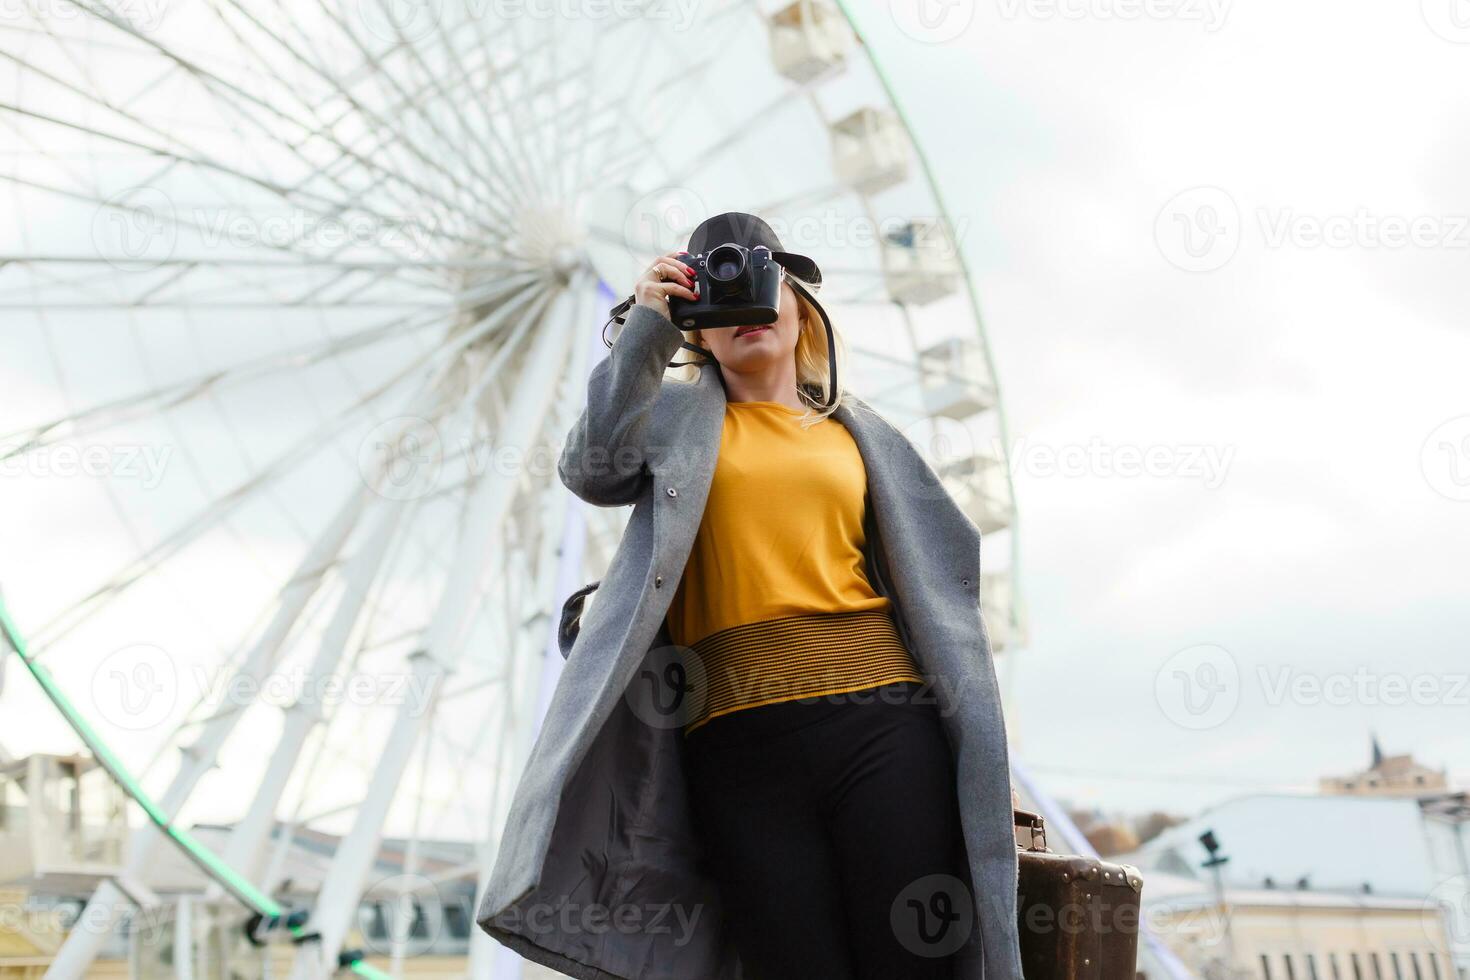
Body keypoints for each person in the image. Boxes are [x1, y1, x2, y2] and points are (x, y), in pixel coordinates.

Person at [621, 213, 974, 979]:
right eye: (720, 298)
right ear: (699, 332)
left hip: (881, 725)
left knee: (911, 963)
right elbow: (593, 468)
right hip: (733, 744)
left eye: (761, 283)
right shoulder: (673, 424)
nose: (746, 308)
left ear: (801, 307)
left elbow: (946, 571)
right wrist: (645, 327)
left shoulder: (861, 436)